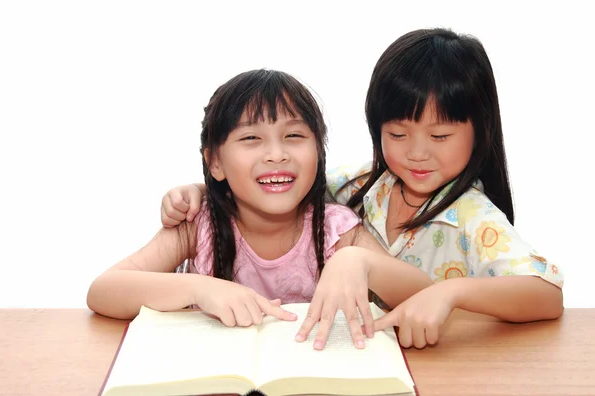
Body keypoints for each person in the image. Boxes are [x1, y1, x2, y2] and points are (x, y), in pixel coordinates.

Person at [157, 28, 564, 349]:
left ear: (480, 133)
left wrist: (452, 294)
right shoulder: (361, 184)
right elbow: (282, 183)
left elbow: (546, 297)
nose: (417, 153)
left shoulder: (475, 217)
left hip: (440, 360)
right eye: (398, 133)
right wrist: (203, 188)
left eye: (440, 136)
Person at [87, 69, 433, 351]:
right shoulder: (198, 224)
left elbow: (425, 296)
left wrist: (362, 262)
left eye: (294, 136)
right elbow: (103, 291)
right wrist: (199, 289)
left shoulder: (334, 230)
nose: (276, 154)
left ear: (319, 152)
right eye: (251, 139)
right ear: (215, 162)